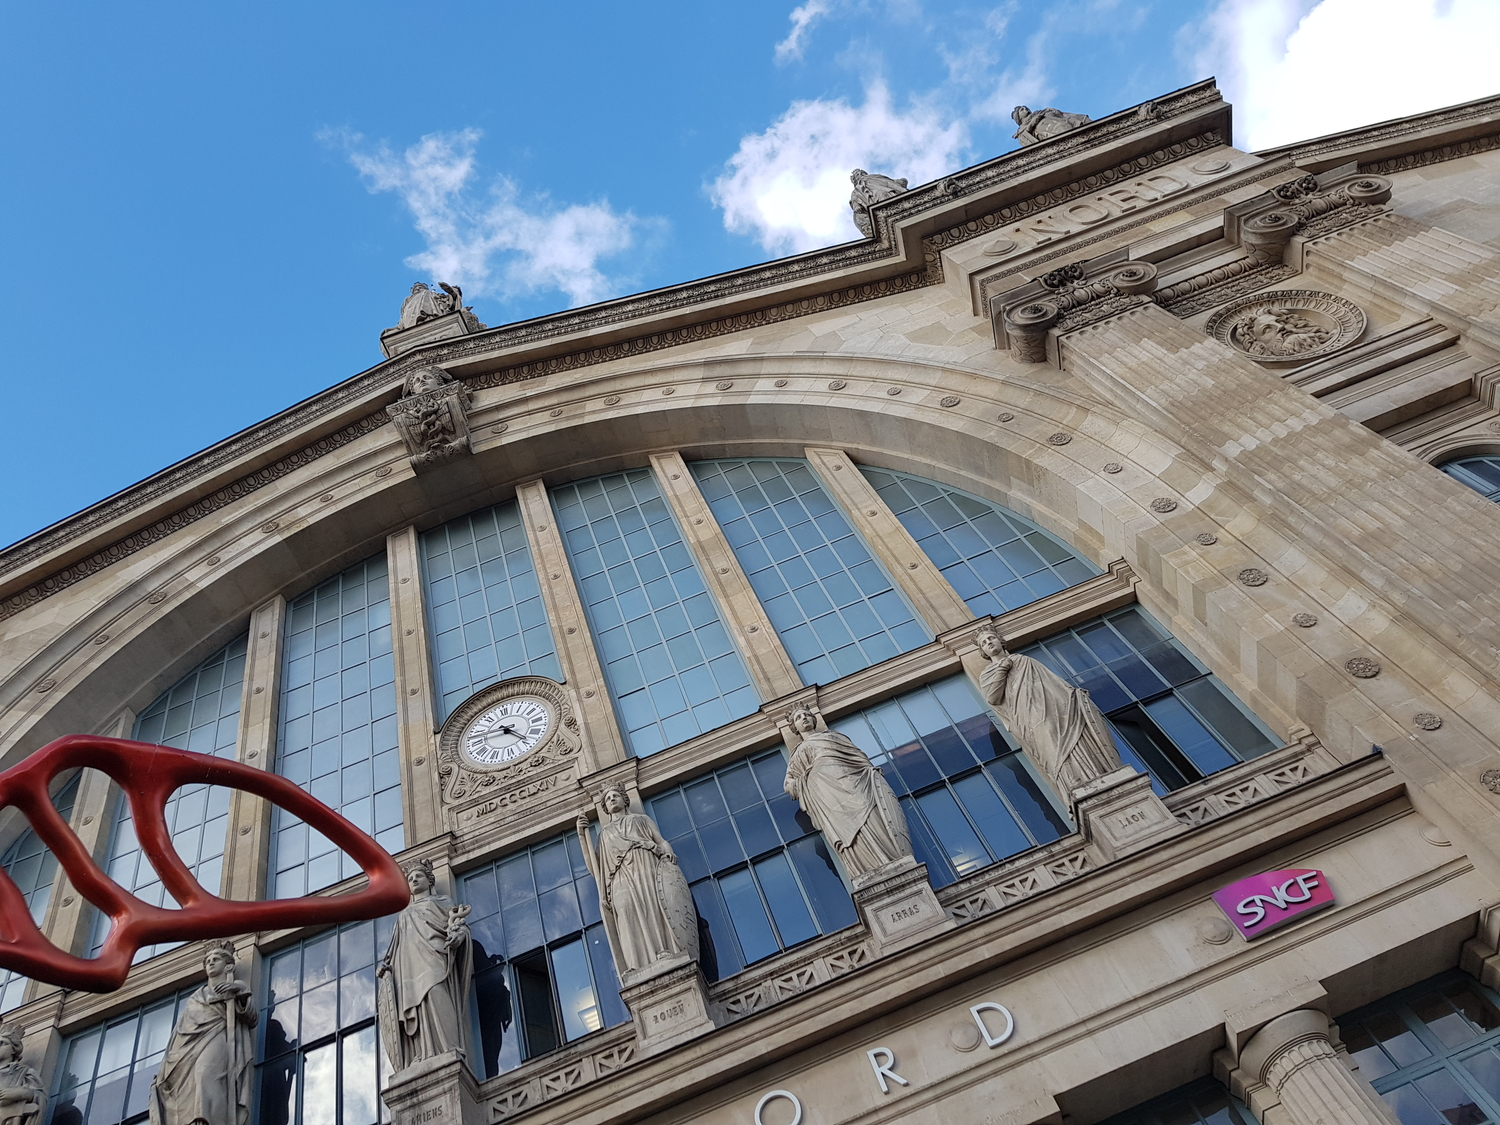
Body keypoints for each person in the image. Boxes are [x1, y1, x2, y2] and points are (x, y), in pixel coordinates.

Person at [976, 628, 1122, 810]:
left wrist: (1072, 696)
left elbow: (1051, 682)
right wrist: (1003, 668)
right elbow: (992, 697)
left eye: (991, 638)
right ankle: (1074, 786)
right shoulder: (987, 674)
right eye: (984, 643)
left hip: (1053, 708)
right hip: (1027, 717)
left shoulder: (1023, 660)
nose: (989, 643)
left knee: (1073, 739)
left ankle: (1094, 775)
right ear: (983, 651)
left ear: (1000, 641)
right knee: (1052, 745)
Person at [575, 785, 697, 983]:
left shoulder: (640, 820)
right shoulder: (604, 834)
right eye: (608, 799)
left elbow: (660, 840)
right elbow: (595, 868)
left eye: (616, 796)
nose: (612, 799)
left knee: (653, 907)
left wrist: (668, 854)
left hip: (646, 866)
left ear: (625, 800)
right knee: (626, 912)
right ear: (605, 807)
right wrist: (582, 836)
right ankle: (637, 963)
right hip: (620, 877)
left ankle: (664, 951)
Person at [783, 703, 911, 883]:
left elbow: (858, 756)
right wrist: (809, 776)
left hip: (856, 785)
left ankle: (890, 858)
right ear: (794, 728)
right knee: (849, 834)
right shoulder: (797, 754)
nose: (803, 718)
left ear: (813, 719)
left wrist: (871, 773)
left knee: (871, 817)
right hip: (829, 797)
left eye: (806, 715)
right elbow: (789, 785)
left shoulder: (834, 737)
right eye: (798, 718)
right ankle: (868, 869)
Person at [377, 860, 473, 1072]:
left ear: (429, 880)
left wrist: (457, 937)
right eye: (410, 879)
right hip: (409, 969)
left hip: (436, 957)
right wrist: (386, 968)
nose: (413, 881)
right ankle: (423, 1053)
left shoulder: (442, 903)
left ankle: (448, 1047)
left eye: (417, 877)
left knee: (437, 994)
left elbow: (459, 927)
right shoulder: (404, 915)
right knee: (419, 1010)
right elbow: (394, 950)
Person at [148, 942, 256, 1125]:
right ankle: (195, 1118)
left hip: (217, 1036)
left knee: (205, 1074)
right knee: (192, 1083)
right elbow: (179, 1034)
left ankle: (207, 1118)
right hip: (188, 1048)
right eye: (208, 961)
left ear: (228, 965)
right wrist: (166, 1066)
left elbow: (252, 1017)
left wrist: (239, 992)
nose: (211, 963)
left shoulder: (236, 986)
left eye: (216, 959)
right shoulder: (195, 997)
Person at [0, 1025, 44, 1125]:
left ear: (13, 1049)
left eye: (2, 1043)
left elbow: (39, 1096)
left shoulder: (24, 1072)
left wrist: (23, 1093)